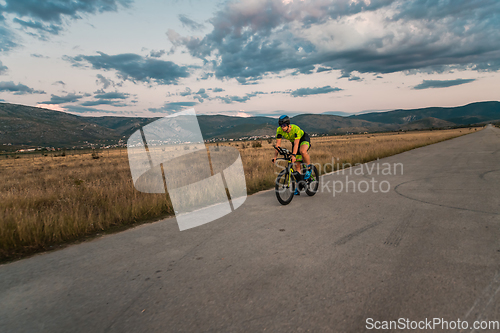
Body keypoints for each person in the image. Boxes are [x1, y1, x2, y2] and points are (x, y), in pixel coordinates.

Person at [272, 115, 312, 195]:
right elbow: (278, 145)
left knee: (302, 151)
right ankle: (300, 186)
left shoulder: (295, 129)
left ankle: (309, 168)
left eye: (284, 125)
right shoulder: (279, 130)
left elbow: (297, 144)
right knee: (297, 166)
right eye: (281, 125)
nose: (282, 127)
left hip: (303, 139)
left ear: (288, 124)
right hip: (294, 142)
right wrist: (275, 157)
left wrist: (294, 155)